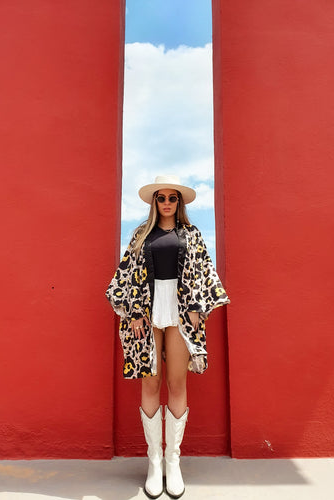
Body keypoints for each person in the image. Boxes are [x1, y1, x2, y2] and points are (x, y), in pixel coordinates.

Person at [105, 174, 230, 499]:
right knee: (150, 381)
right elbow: (127, 273)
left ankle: (173, 461)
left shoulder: (191, 234)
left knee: (176, 383)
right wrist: (132, 310)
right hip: (146, 311)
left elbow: (205, 271)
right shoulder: (140, 235)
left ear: (179, 202)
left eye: (172, 198)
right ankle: (154, 461)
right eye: (160, 198)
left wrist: (197, 305)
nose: (166, 203)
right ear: (153, 202)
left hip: (180, 310)